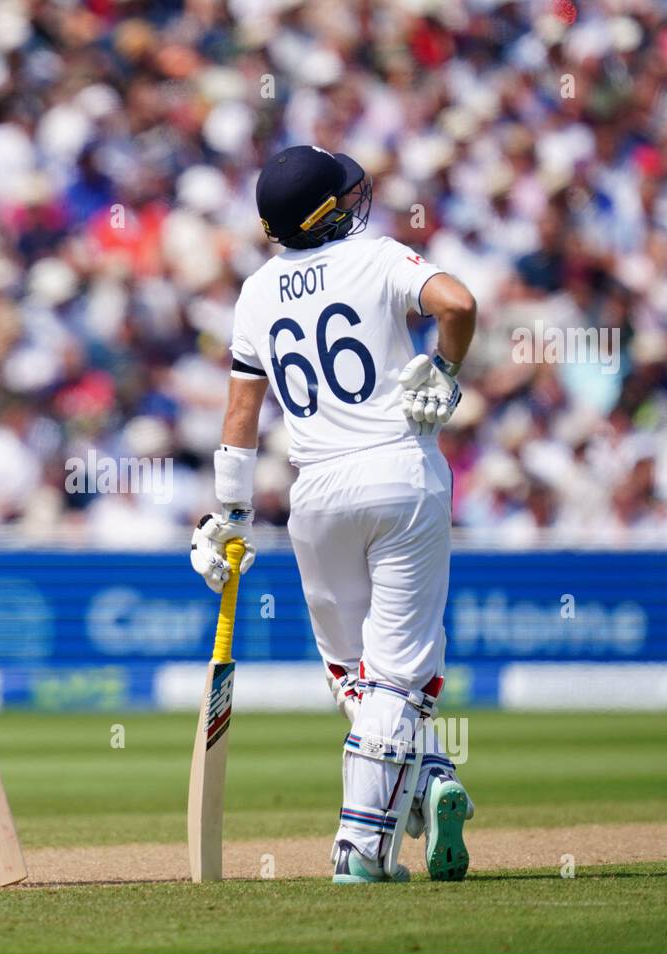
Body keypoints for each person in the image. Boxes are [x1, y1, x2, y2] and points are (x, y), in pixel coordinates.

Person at [191, 145, 477, 883]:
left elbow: (240, 411)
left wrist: (228, 513)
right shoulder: (378, 256)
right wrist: (444, 368)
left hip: (313, 490)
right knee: (396, 680)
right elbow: (459, 304)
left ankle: (429, 772)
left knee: (353, 674)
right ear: (326, 211)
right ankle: (360, 843)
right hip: (399, 472)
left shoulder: (255, 291)